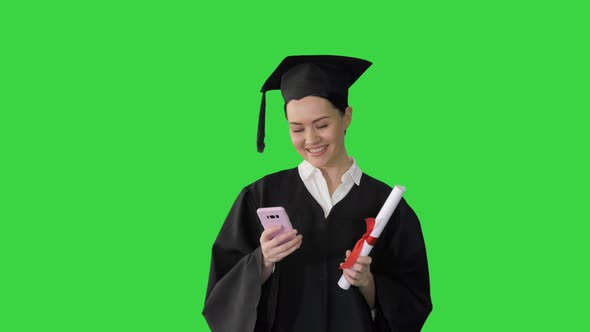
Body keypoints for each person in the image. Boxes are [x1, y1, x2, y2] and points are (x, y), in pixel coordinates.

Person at [203, 55, 432, 332]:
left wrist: (368, 284)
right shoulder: (260, 195)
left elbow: (413, 301)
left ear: (346, 116)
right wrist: (262, 261)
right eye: (297, 129)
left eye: (322, 125)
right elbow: (220, 296)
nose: (310, 140)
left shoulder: (386, 203)